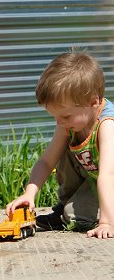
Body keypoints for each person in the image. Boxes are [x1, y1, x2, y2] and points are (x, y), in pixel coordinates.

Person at [6, 51, 114, 239]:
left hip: (109, 180)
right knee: (63, 149)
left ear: (93, 102)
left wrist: (107, 223)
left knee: (74, 217)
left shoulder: (107, 125)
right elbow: (47, 162)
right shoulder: (69, 124)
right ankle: (65, 207)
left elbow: (108, 174)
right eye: (55, 117)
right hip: (96, 181)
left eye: (65, 116)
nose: (59, 122)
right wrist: (29, 194)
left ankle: (86, 214)